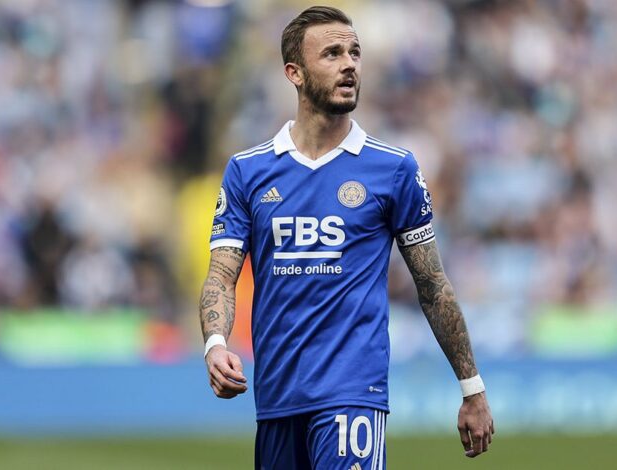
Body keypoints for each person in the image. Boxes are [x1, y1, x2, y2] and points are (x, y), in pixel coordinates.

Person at [200, 6, 494, 469]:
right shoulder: (248, 171)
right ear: (294, 73)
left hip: (352, 394)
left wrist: (471, 387)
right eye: (332, 53)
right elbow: (221, 274)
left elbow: (433, 285)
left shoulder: (392, 169)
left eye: (355, 52)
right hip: (277, 396)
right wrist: (216, 344)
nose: (349, 64)